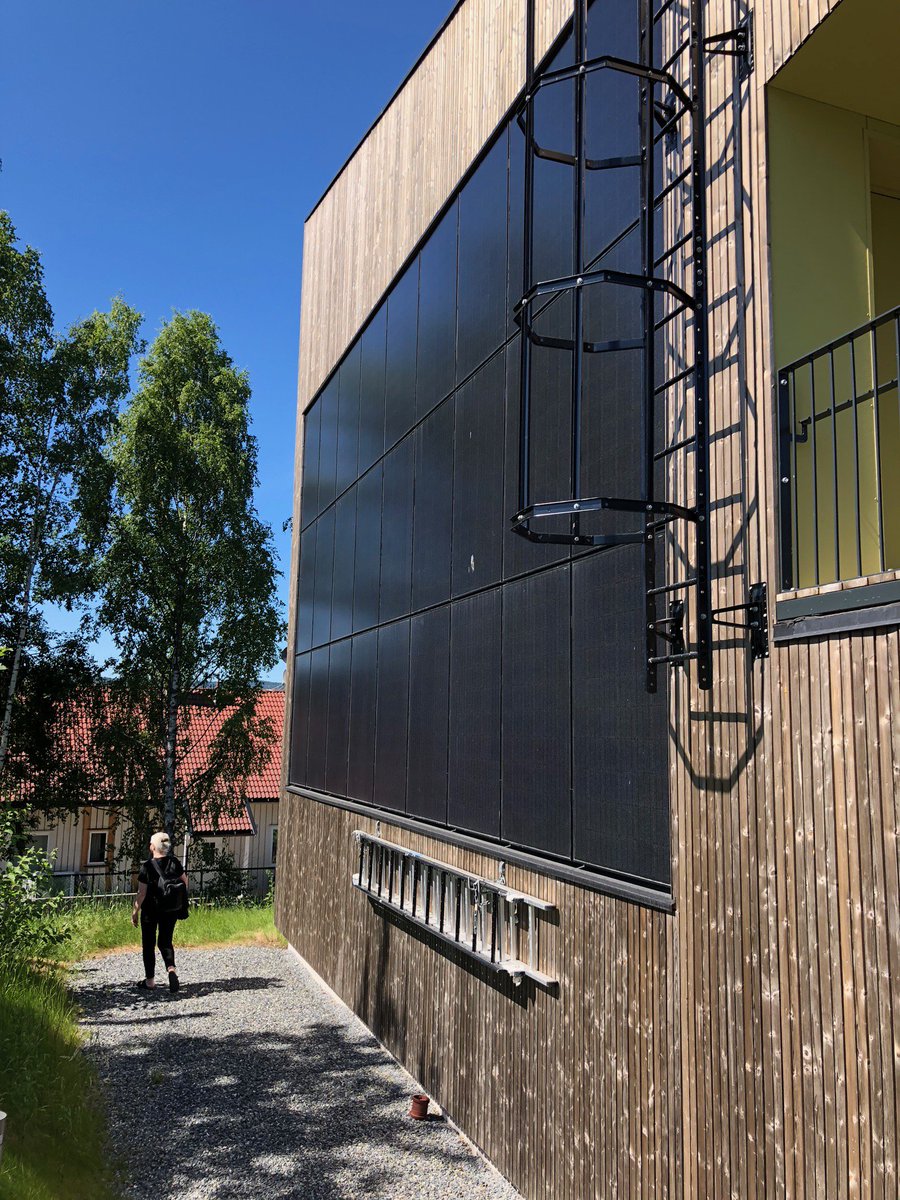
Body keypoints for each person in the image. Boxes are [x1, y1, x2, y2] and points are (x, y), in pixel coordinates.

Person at [132, 831, 189, 992]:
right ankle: (171, 969)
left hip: (150, 911)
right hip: (170, 909)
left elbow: (141, 893)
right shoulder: (174, 862)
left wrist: (135, 911)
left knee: (148, 944)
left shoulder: (147, 867)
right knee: (165, 941)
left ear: (153, 847)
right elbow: (184, 882)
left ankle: (150, 981)